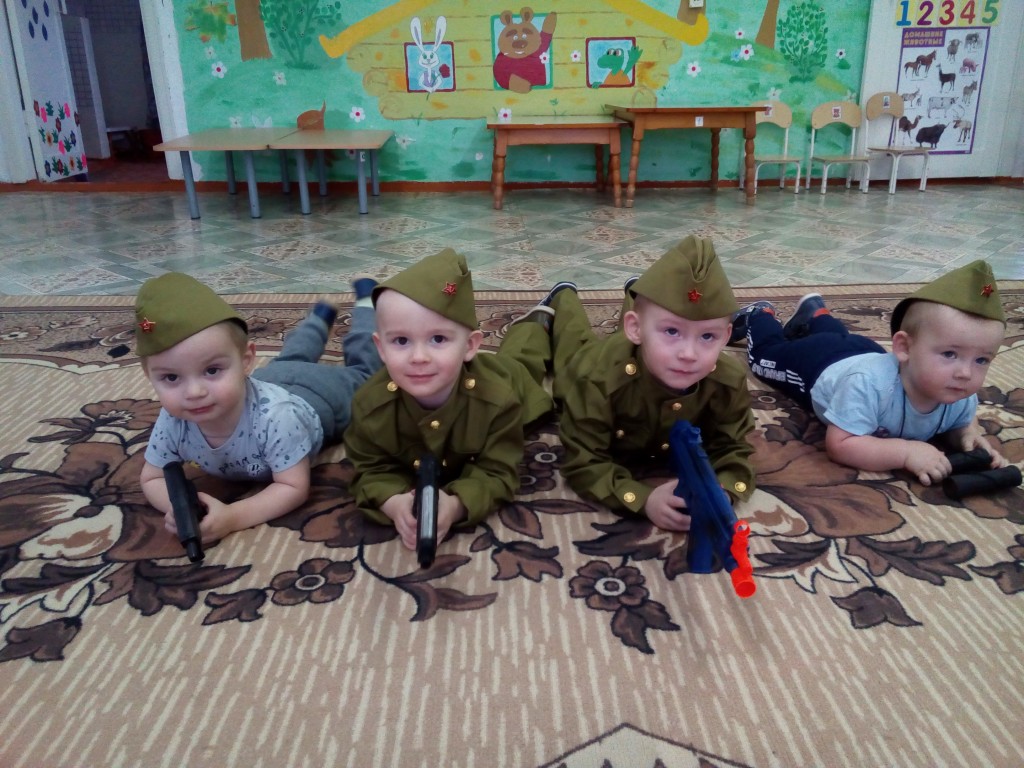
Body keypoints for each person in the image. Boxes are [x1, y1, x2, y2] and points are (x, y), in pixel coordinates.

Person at [137, 272, 382, 544]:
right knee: (290, 358)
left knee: (368, 376)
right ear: (149, 376)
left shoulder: (278, 418)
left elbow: (293, 486)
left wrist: (232, 517)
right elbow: (151, 479)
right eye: (171, 377)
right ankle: (319, 318)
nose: (194, 393)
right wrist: (179, 507)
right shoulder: (172, 419)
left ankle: (366, 301)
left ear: (246, 361)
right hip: (273, 378)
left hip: (318, 394)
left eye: (212, 370)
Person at [344, 248, 553, 552]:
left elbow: (499, 472)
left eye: (438, 339)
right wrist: (392, 501)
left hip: (508, 374)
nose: (418, 357)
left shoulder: (498, 399)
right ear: (381, 348)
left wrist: (457, 505)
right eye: (401, 340)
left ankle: (536, 322)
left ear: (470, 345)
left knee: (526, 359)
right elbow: (369, 469)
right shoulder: (369, 405)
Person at [545, 235, 756, 533]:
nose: (689, 354)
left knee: (651, 323)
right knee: (572, 340)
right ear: (634, 329)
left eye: (708, 336)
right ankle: (563, 295)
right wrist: (642, 499)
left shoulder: (728, 380)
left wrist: (723, 489)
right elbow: (583, 462)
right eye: (672, 331)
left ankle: (640, 294)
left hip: (640, 342)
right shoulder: (596, 378)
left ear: (726, 337)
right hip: (596, 359)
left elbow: (733, 446)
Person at [732, 259, 1008, 485]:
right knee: (765, 359)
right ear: (904, 348)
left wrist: (967, 436)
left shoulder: (959, 392)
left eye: (981, 360)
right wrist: (905, 452)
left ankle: (817, 315)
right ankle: (760, 316)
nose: (965, 373)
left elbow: (961, 422)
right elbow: (841, 444)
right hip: (816, 361)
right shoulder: (867, 386)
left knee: (841, 337)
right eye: (949, 354)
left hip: (862, 350)